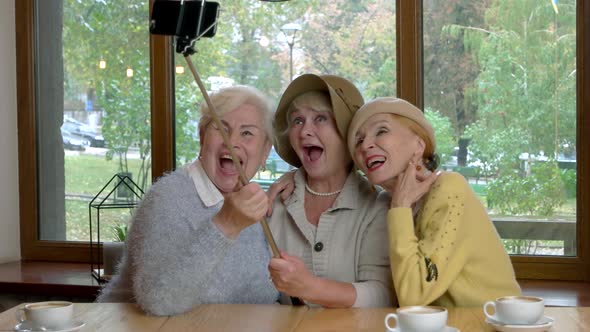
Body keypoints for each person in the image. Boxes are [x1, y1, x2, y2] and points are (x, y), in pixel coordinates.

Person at [97, 86, 279, 315]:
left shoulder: (258, 205)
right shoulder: (168, 197)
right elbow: (159, 301)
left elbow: (263, 296)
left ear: (264, 152)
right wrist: (226, 225)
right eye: (221, 129)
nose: (231, 142)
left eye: (247, 133)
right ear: (202, 138)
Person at [347, 97, 521, 307]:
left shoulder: (449, 188)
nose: (365, 145)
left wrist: (399, 208)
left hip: (494, 326)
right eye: (358, 141)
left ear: (419, 145)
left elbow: (414, 296)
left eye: (381, 131)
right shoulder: (385, 204)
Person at [267, 74, 394, 308]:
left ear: (348, 134)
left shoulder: (377, 206)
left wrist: (309, 287)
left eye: (321, 119)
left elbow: (383, 295)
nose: (305, 131)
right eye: (297, 121)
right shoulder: (273, 203)